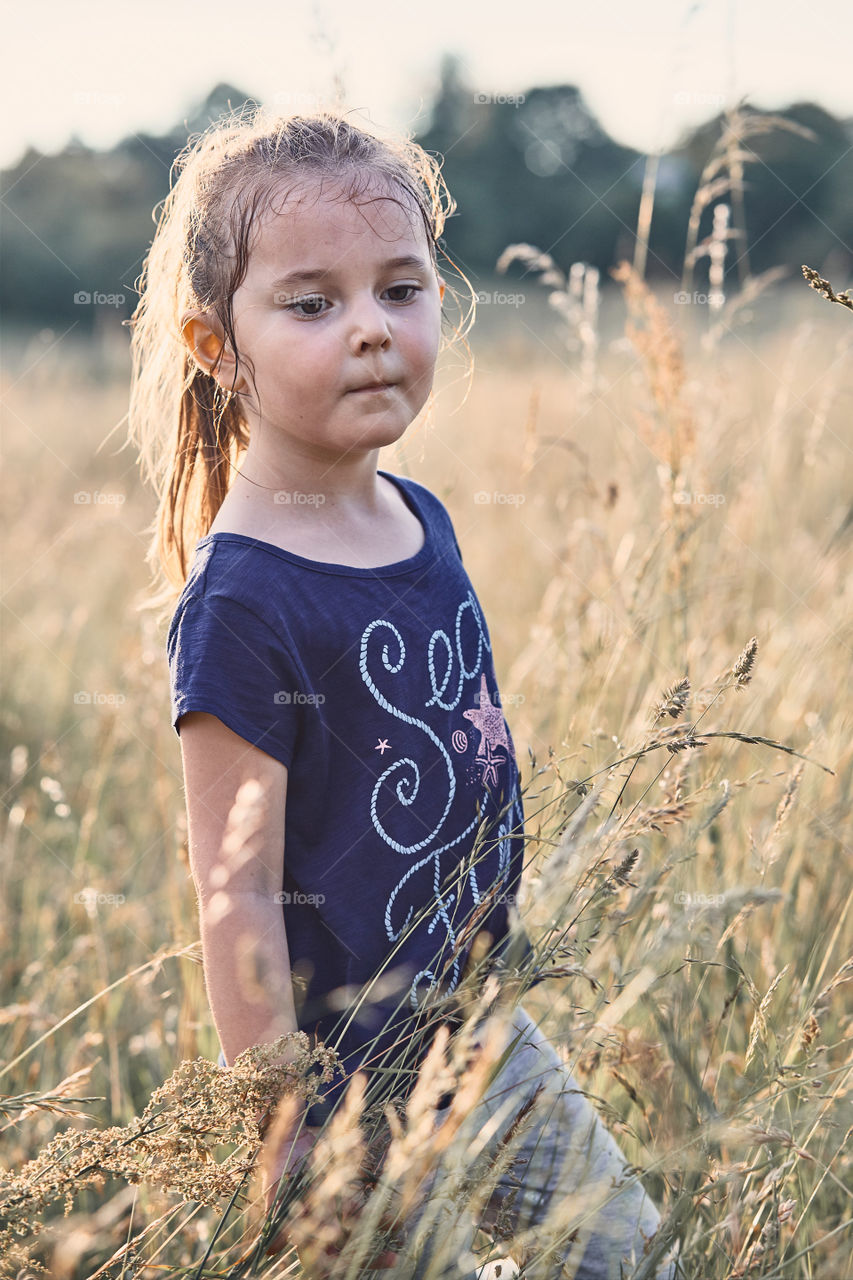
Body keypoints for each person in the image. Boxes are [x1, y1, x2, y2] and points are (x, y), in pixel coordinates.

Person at [126, 103, 676, 1278]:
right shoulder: (243, 603)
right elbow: (236, 900)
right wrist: (285, 1130)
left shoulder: (418, 516)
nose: (371, 329)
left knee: (622, 1250)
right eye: (312, 303)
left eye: (402, 288)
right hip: (345, 1084)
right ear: (219, 347)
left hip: (481, 1026)